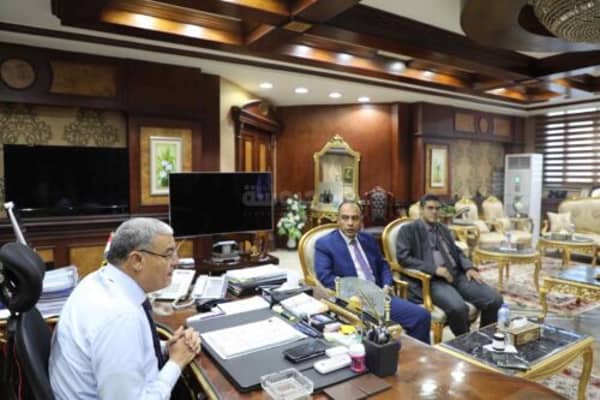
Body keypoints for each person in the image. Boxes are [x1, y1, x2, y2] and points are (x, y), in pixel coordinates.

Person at [49, 217, 201, 400]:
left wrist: (166, 349)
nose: (176, 261)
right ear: (137, 260)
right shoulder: (120, 317)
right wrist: (177, 362)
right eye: (168, 254)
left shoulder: (98, 280)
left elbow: (121, 354)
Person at [314, 201, 431, 344]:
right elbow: (325, 277)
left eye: (355, 218)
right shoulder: (325, 244)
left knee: (422, 316)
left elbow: (383, 265)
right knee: (380, 336)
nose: (350, 223)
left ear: (361, 220)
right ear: (338, 219)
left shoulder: (368, 239)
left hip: (380, 296)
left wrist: (387, 284)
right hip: (353, 302)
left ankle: (417, 355)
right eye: (345, 218)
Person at [396, 194, 503, 336]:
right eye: (430, 208)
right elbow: (404, 258)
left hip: (457, 274)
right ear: (421, 210)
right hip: (433, 280)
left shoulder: (443, 228)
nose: (434, 212)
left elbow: (456, 251)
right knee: (459, 308)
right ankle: (465, 343)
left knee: (495, 299)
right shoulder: (408, 230)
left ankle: (484, 338)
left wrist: (469, 267)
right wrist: (435, 269)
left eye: (437, 208)